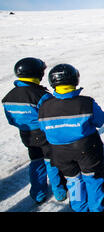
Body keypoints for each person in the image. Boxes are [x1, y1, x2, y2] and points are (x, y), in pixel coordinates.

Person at [38, 64, 104, 212]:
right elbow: (100, 121)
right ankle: (97, 207)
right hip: (86, 149)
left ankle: (79, 207)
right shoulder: (86, 103)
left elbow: (43, 128)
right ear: (75, 80)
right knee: (93, 178)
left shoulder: (44, 106)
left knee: (73, 180)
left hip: (59, 151)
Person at [2, 57, 67, 204]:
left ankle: (38, 193)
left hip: (26, 134)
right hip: (44, 134)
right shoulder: (41, 95)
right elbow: (52, 116)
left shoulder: (8, 97)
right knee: (51, 162)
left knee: (36, 161)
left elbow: (11, 120)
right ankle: (59, 191)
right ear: (38, 74)